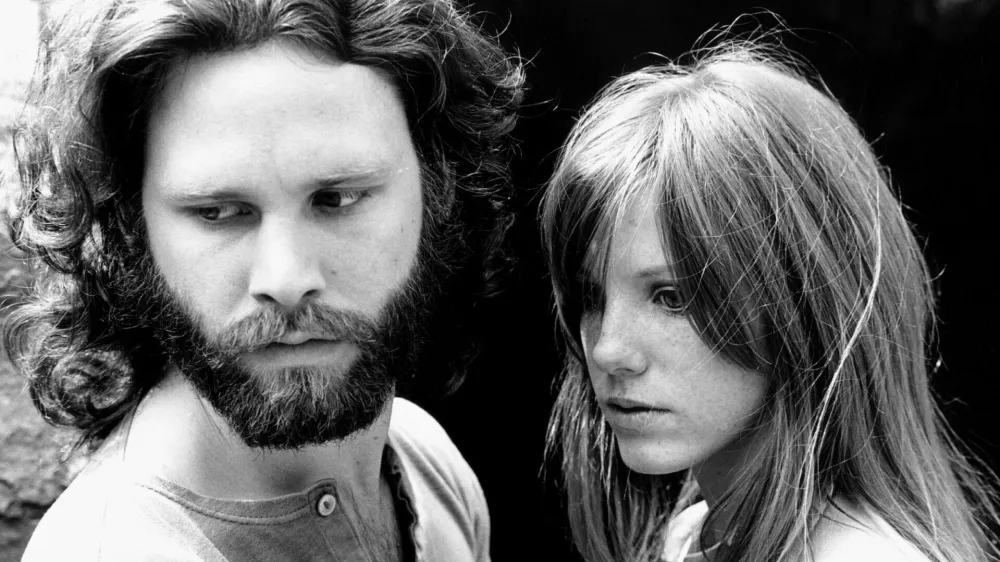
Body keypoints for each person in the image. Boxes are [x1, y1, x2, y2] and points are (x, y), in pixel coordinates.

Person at [4, 0, 524, 560]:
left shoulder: (423, 458)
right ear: (131, 227)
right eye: (219, 212)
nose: (286, 278)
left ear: (438, 189)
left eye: (338, 199)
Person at [539, 40, 1000, 562]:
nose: (607, 349)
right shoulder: (701, 534)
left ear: (800, 301)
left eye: (672, 297)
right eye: (592, 296)